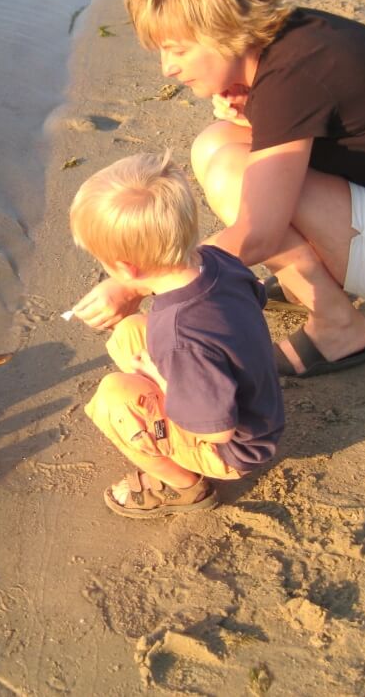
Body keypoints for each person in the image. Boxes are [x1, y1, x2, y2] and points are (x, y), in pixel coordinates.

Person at [73, 0, 365, 378]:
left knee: (235, 173)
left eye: (177, 49)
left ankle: (337, 327)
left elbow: (259, 234)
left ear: (220, 29)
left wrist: (135, 282)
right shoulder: (296, 43)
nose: (167, 68)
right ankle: (315, 278)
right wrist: (252, 111)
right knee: (216, 143)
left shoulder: (292, 80)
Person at [69, 152, 284, 517]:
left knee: (113, 399)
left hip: (234, 448)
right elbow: (254, 298)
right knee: (130, 332)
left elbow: (218, 430)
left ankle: (183, 487)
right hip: (255, 400)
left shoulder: (180, 335)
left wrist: (159, 376)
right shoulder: (217, 261)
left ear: (125, 267)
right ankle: (169, 399)